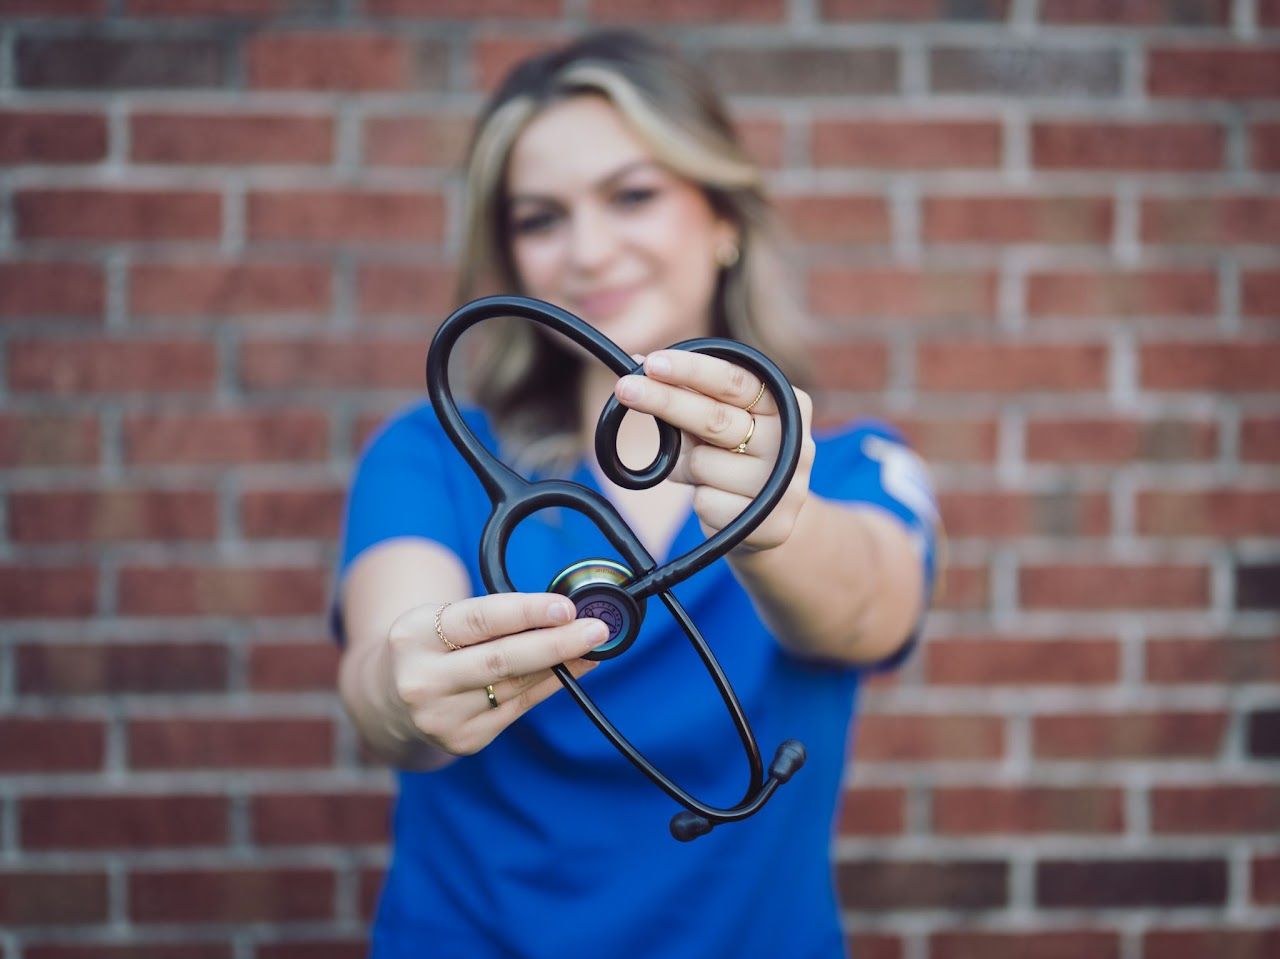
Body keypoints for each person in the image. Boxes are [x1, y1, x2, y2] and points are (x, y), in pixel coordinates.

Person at [333, 30, 939, 959]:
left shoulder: (853, 470)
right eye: (540, 218)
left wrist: (775, 521)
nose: (588, 250)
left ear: (724, 218)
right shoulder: (431, 454)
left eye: (633, 196)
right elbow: (388, 663)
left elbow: (865, 603)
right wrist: (401, 695)